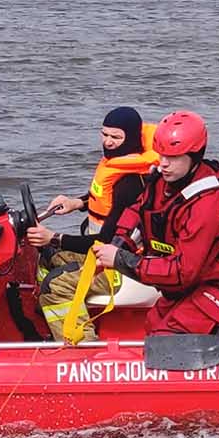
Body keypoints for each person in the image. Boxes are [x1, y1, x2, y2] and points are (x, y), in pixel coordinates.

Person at [93, 110, 219, 335]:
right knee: (153, 324)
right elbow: (138, 213)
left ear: (194, 156)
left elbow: (183, 271)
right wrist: (119, 244)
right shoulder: (162, 182)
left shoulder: (208, 202)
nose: (164, 164)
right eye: (161, 155)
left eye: (172, 158)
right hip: (193, 281)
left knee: (168, 338)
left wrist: (121, 260)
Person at [28, 106, 158, 303]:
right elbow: (106, 200)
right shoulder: (117, 166)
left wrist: (54, 238)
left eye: (116, 137)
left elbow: (105, 240)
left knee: (55, 286)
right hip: (100, 252)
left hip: (119, 265)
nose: (108, 142)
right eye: (104, 134)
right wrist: (76, 203)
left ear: (131, 138)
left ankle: (73, 323)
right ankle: (41, 311)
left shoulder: (131, 182)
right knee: (47, 256)